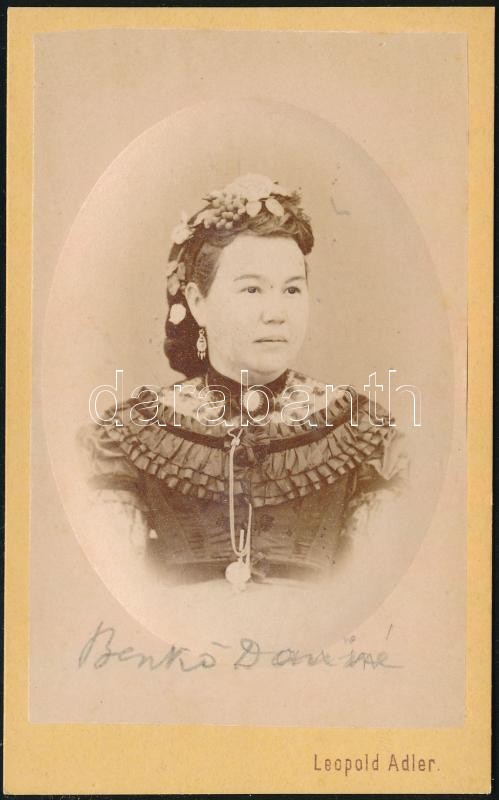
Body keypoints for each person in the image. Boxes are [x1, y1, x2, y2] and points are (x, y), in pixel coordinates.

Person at [79, 173, 408, 591]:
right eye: (252, 290)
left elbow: (383, 587)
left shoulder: (361, 431)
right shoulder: (130, 433)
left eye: (292, 290)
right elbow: (107, 584)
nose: (277, 314)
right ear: (197, 302)